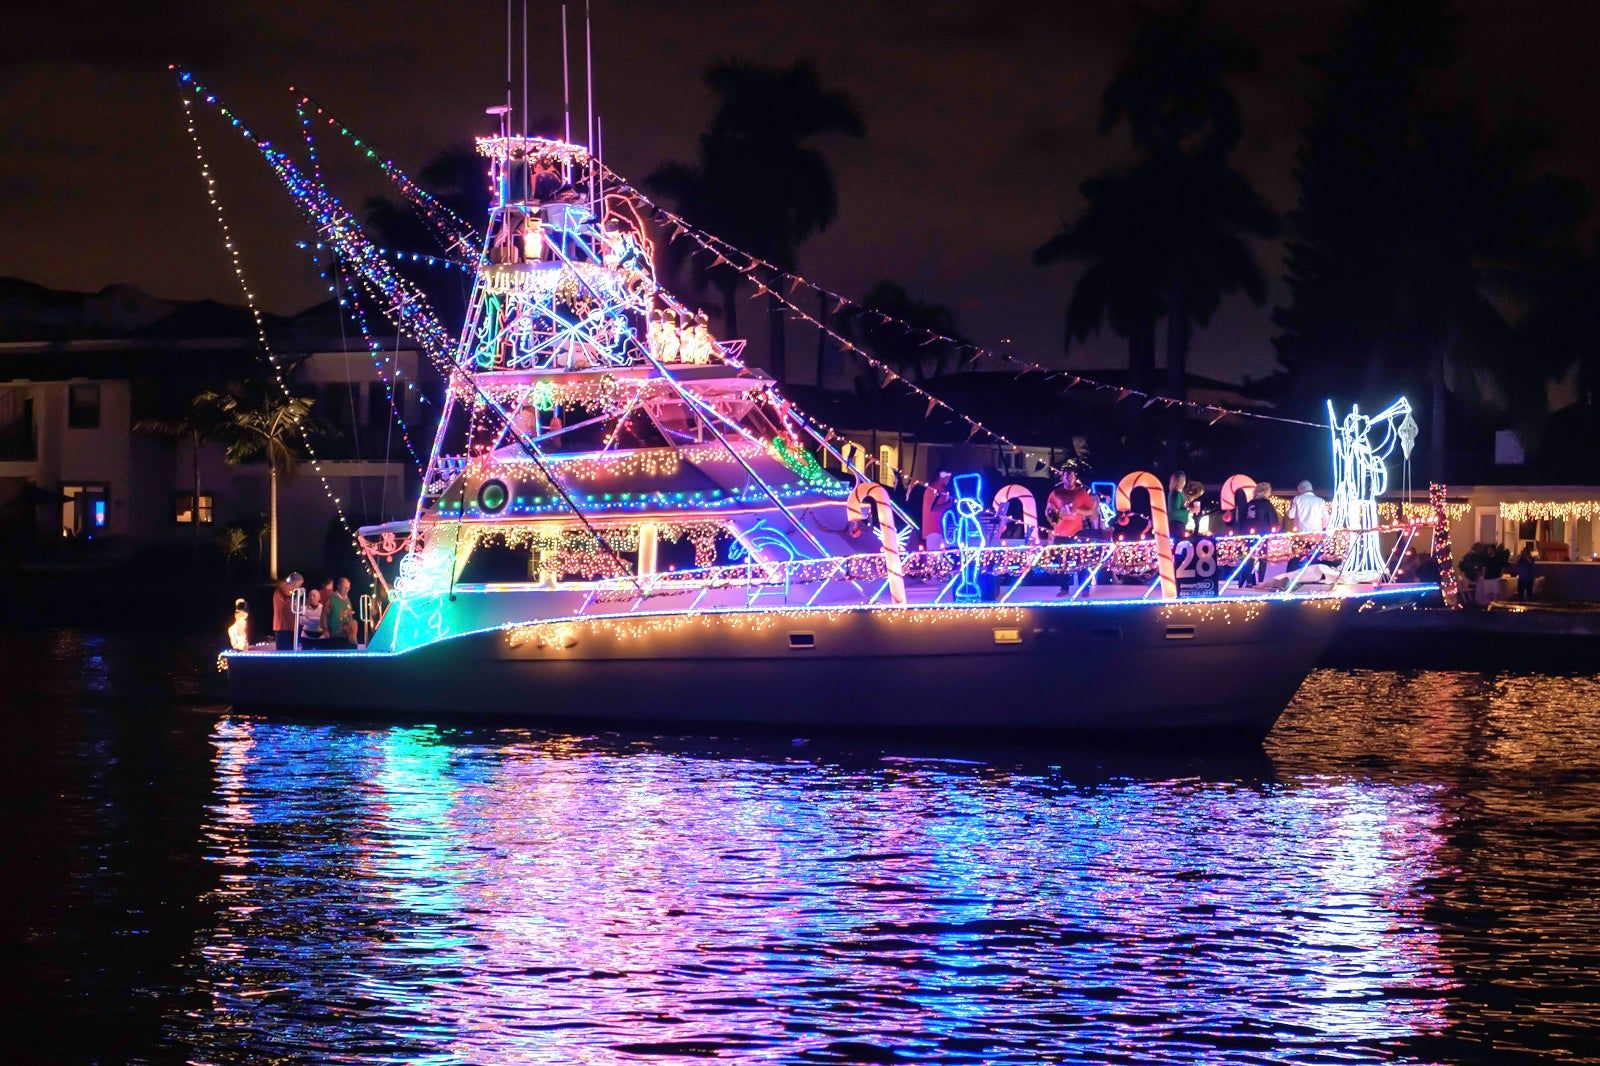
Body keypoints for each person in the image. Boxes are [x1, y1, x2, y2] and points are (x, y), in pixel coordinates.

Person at [1240, 482, 1276, 587]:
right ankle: (1260, 581)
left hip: (1248, 533)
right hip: (1262, 533)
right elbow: (1272, 520)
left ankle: (1249, 581)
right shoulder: (1267, 504)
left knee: (1250, 557)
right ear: (1266, 491)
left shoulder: (1250, 503)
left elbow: (1243, 518)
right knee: (1263, 557)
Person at [1045, 469, 1098, 541]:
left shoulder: (1081, 493)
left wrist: (1076, 510)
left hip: (1077, 534)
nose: (1069, 479)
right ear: (1062, 479)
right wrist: (1053, 522)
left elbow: (1091, 512)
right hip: (1059, 534)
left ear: (1075, 479)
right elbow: (1048, 511)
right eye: (1067, 477)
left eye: (1071, 476)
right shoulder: (1056, 493)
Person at [922, 472, 954, 551]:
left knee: (942, 555)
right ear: (942, 477)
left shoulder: (941, 491)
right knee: (934, 556)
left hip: (939, 529)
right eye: (947, 478)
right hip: (932, 529)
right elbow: (931, 508)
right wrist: (947, 505)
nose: (948, 480)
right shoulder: (932, 490)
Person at [272, 572, 303, 651]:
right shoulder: (284, 588)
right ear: (295, 582)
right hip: (283, 627)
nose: (299, 587)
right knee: (283, 651)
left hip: (291, 627)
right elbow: (287, 592)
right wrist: (296, 592)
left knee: (290, 650)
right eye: (299, 584)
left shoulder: (291, 592)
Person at [327, 577, 358, 646]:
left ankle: (353, 641)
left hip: (345, 631)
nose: (347, 590)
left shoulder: (347, 600)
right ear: (339, 587)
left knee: (354, 623)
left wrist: (349, 614)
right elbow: (325, 616)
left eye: (348, 588)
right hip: (335, 631)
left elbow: (349, 614)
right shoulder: (331, 598)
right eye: (345, 588)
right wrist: (325, 630)